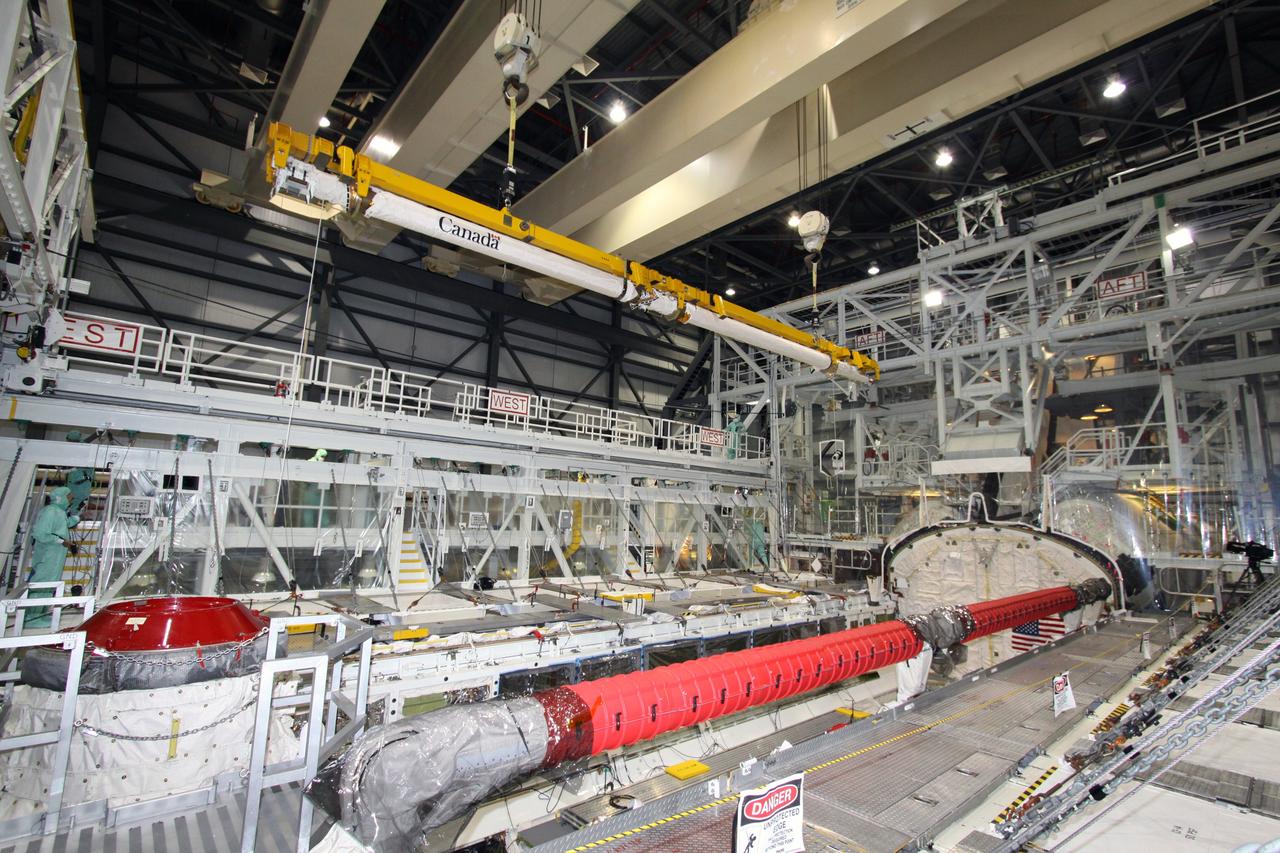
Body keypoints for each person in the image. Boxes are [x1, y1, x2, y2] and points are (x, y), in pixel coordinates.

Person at [27, 487, 79, 627]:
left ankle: (40, 614)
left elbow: (64, 525)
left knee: (49, 585)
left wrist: (76, 517)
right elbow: (41, 533)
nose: (71, 500)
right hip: (47, 555)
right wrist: (62, 541)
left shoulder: (59, 512)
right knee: (41, 584)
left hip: (56, 556)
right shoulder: (50, 511)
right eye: (69, 497)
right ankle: (31, 618)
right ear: (60, 497)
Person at [64, 430, 95, 515]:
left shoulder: (76, 449)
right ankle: (74, 515)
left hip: (79, 483)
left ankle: (74, 515)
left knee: (75, 504)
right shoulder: (81, 447)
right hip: (80, 483)